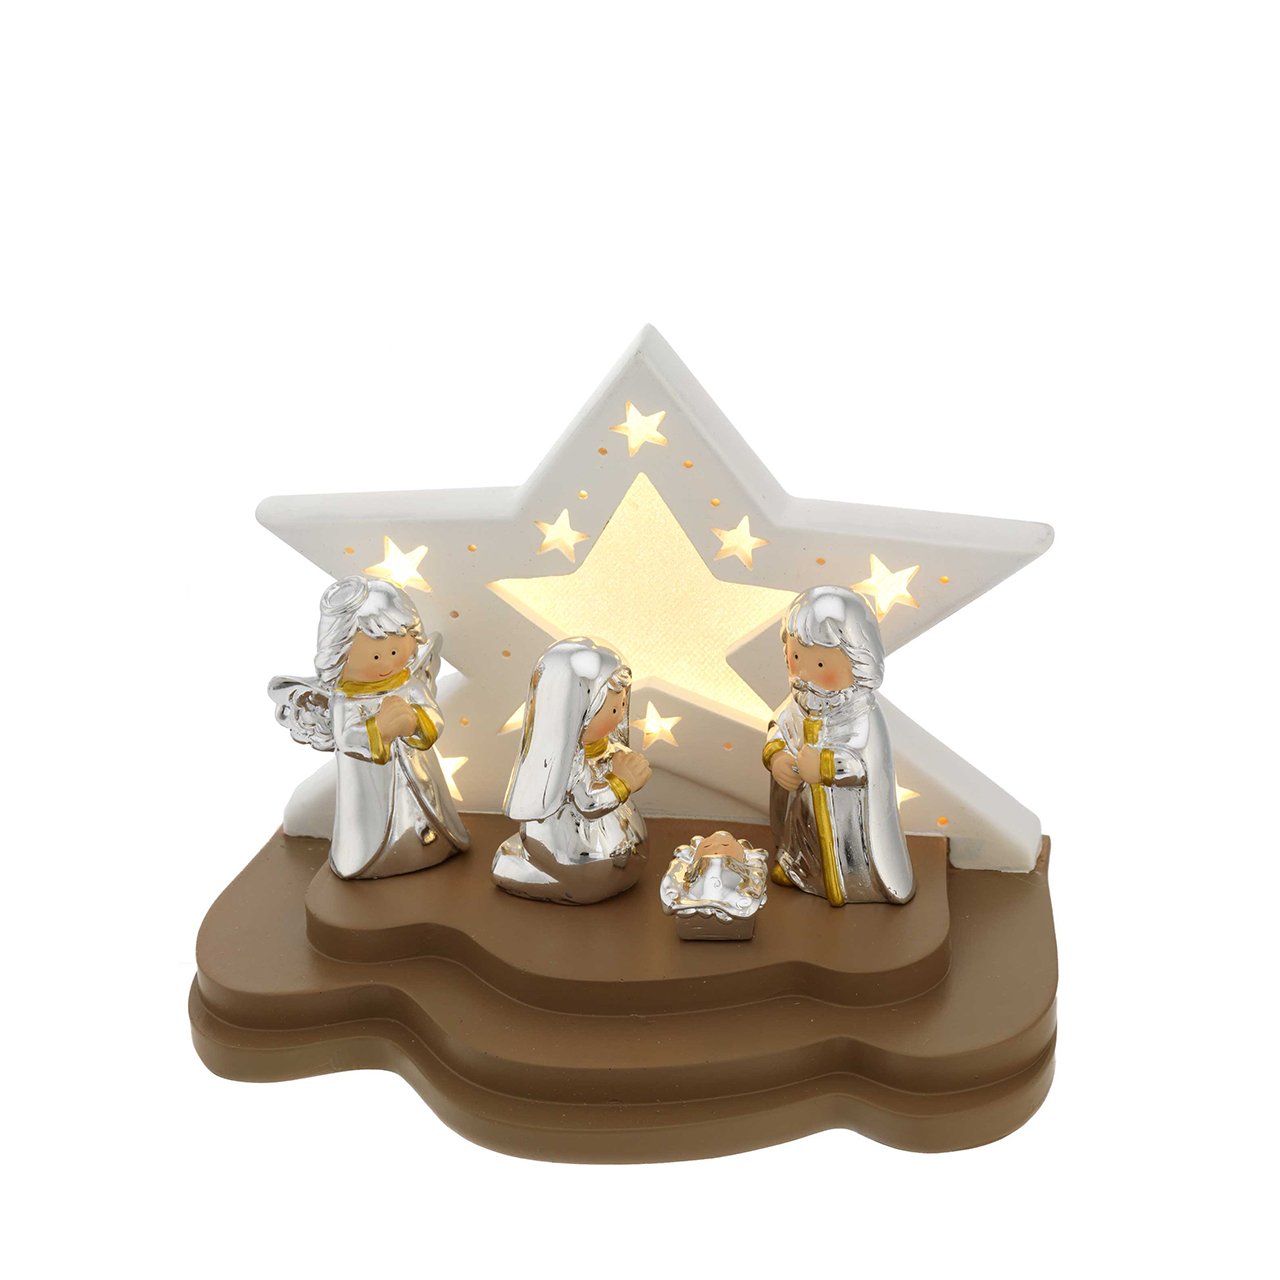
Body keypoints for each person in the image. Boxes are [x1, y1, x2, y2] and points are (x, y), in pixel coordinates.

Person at [270, 574, 470, 878]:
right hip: (368, 784)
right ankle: (368, 857)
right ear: (339, 657)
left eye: (395, 652)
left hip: (419, 775)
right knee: (372, 825)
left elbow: (434, 718)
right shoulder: (345, 700)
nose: (387, 664)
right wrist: (380, 729)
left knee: (429, 811)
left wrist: (415, 721)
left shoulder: (409, 685)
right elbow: (347, 737)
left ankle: (437, 843)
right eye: (376, 656)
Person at [763, 585, 914, 906]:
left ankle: (855, 883)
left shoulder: (861, 713)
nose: (804, 674)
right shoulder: (798, 703)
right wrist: (778, 757)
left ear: (857, 661)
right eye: (796, 658)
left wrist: (825, 766)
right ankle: (799, 870)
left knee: (844, 847)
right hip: (803, 806)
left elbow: (865, 761)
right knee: (802, 834)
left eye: (820, 666)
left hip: (846, 815)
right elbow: (779, 728)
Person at [493, 637, 651, 904]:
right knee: (588, 876)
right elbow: (590, 802)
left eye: (622, 705)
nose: (618, 716)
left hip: (619, 852)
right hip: (581, 858)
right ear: (577, 712)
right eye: (612, 708)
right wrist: (622, 782)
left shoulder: (605, 747)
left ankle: (519, 861)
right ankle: (533, 868)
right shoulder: (568, 764)